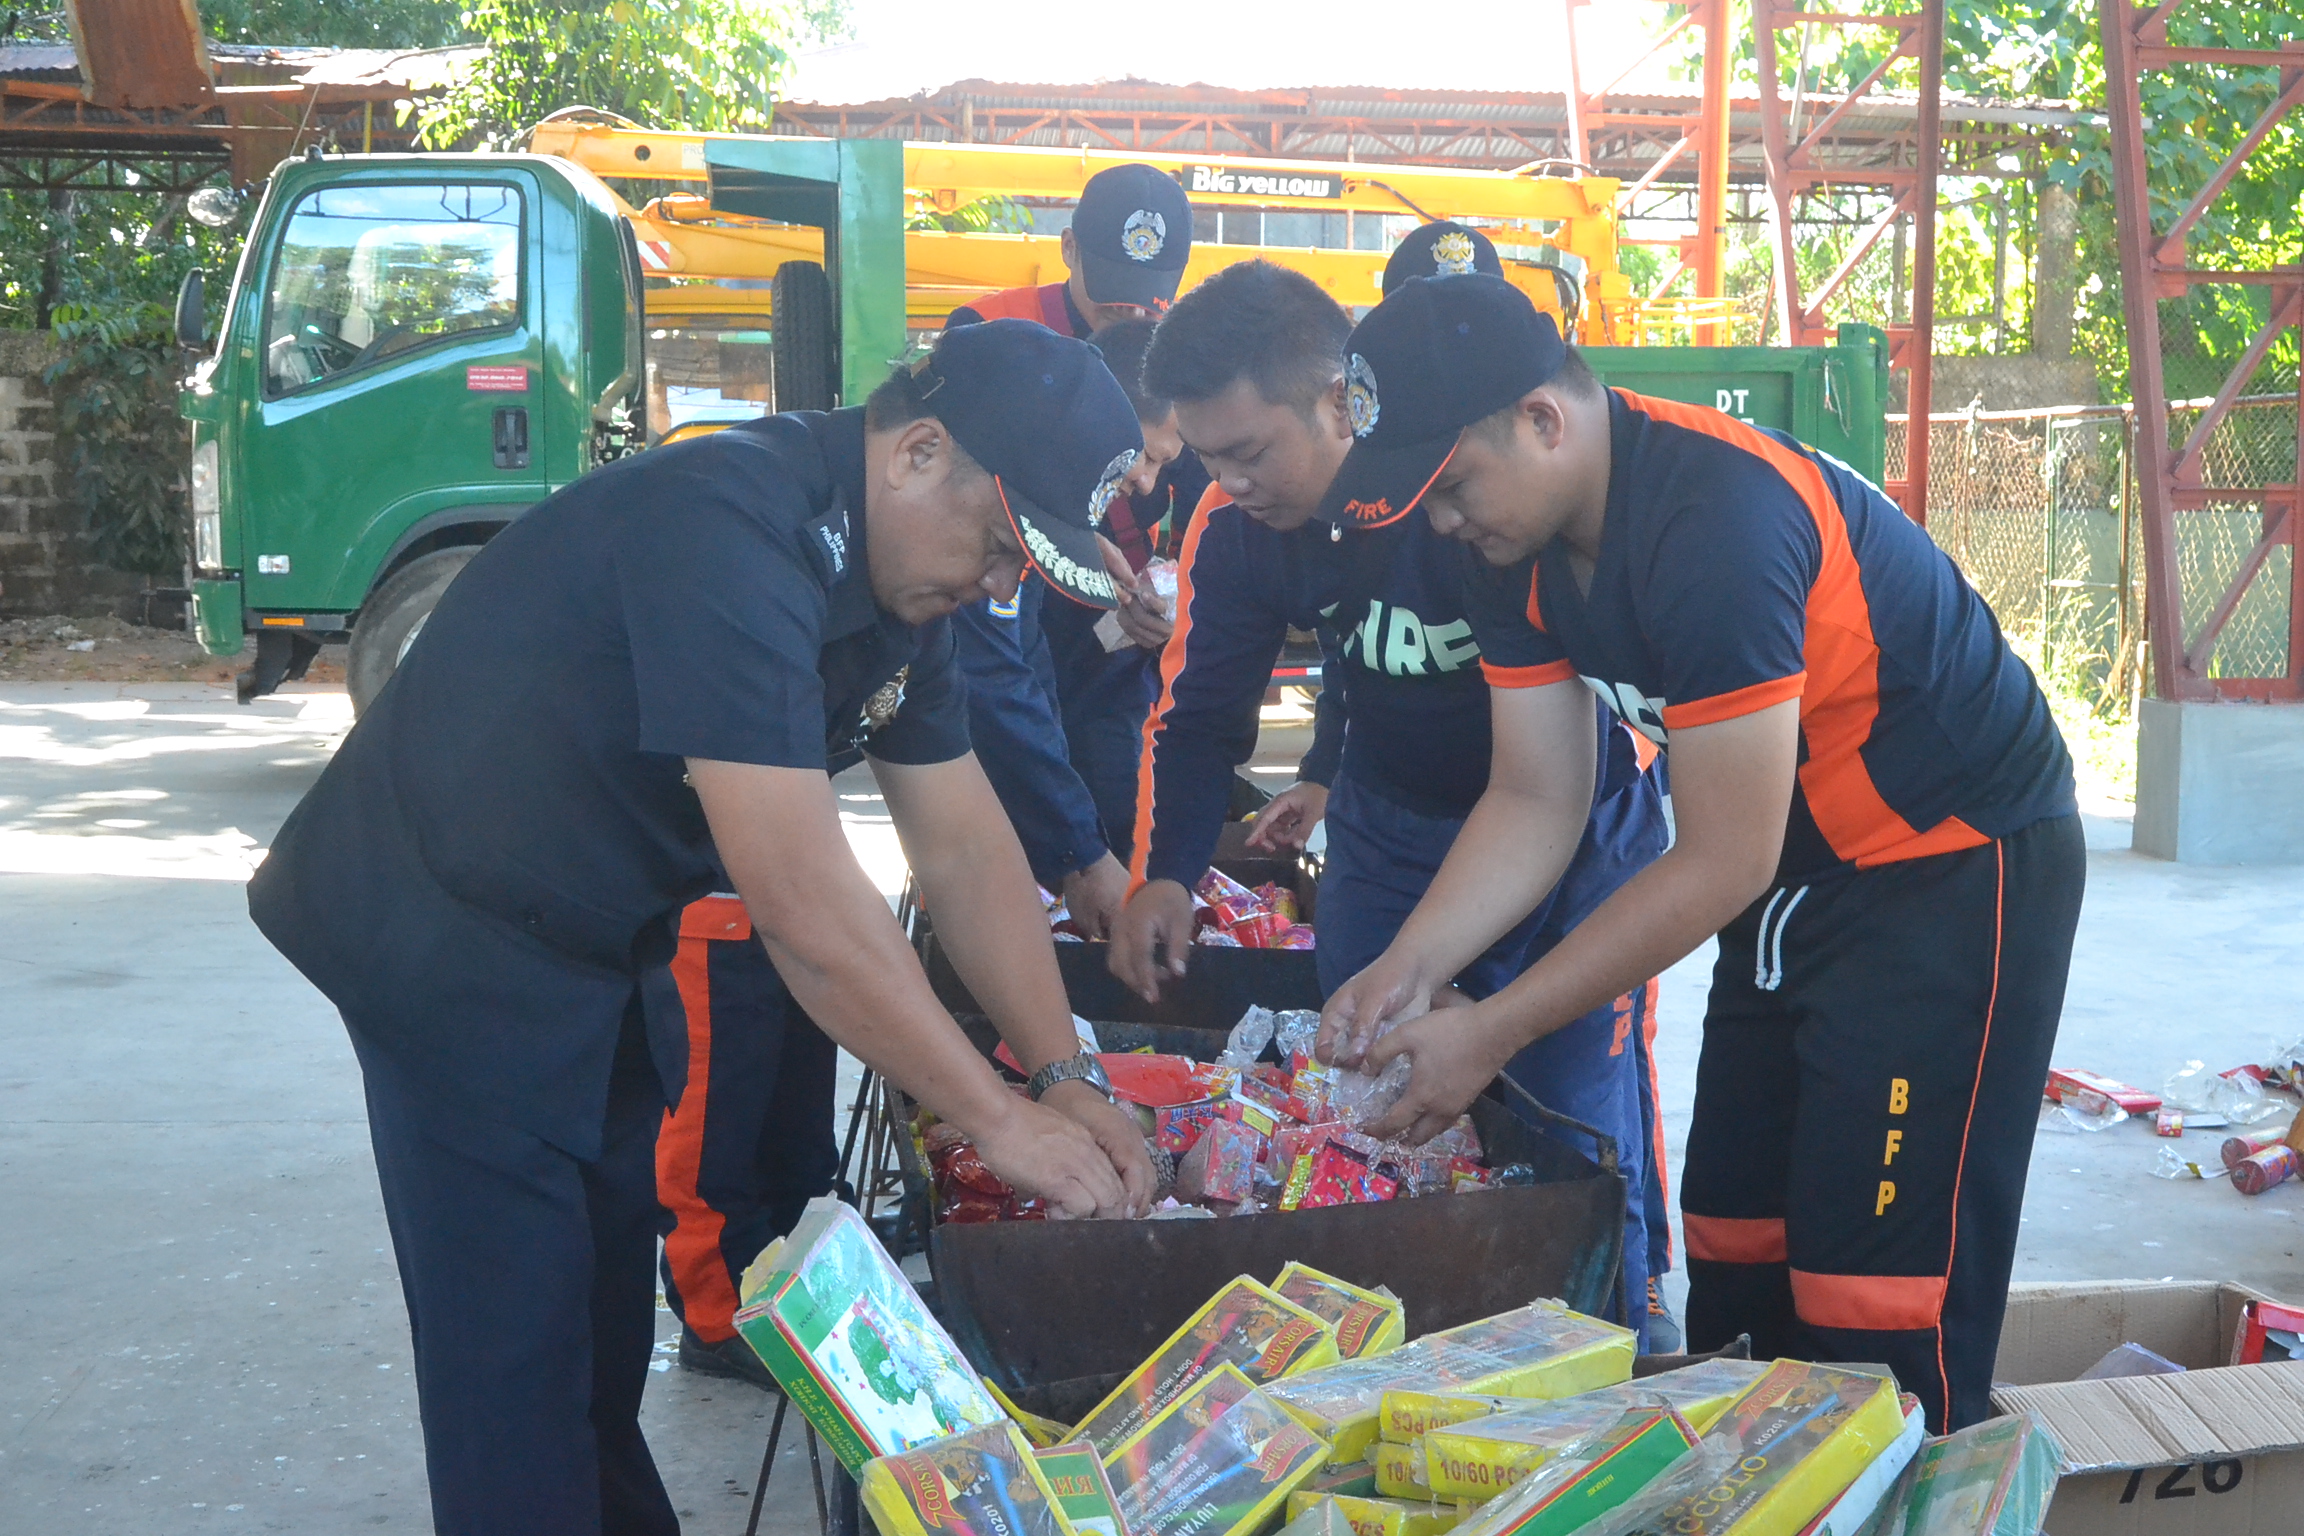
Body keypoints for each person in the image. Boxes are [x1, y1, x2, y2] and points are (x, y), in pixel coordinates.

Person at [247, 318, 1158, 1536]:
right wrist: (999, 1122)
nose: (1001, 588)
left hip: (602, 932)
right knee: (514, 1363)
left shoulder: (901, 592)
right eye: (1002, 545)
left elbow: (964, 846)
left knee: (596, 1338)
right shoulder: (728, 526)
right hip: (445, 931)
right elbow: (803, 902)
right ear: (918, 451)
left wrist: (1062, 1073)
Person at [1315, 273, 2083, 1431]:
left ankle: (1912, 1477)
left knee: (1871, 1297)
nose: (1444, 523)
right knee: (1737, 1252)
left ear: (1543, 418)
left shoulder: (1717, 518)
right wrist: (1411, 967)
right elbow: (1535, 796)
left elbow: (1722, 856)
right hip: (1792, 878)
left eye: (1452, 484)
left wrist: (1493, 1028)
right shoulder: (1513, 546)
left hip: (1948, 867)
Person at [1107, 258, 1676, 1346]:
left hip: (1575, 832)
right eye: (1208, 458)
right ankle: (1403, 1359)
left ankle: (1624, 1340)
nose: (1227, 482)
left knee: (1569, 1126)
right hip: (1391, 829)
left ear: (1339, 401)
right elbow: (1198, 716)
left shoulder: (1465, 494)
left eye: (1248, 452)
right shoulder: (1235, 528)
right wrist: (1166, 873)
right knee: (1371, 1110)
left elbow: (1549, 775)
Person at [944, 166, 1208, 931]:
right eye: (1114, 291)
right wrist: (1063, 527)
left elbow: (1207, 503)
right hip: (1006, 587)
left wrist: (1180, 604)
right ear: (1068, 251)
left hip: (1116, 628)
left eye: (1149, 296)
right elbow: (969, 484)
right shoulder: (990, 331)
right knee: (1002, 763)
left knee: (1115, 795)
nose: (1130, 312)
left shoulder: (1185, 357)